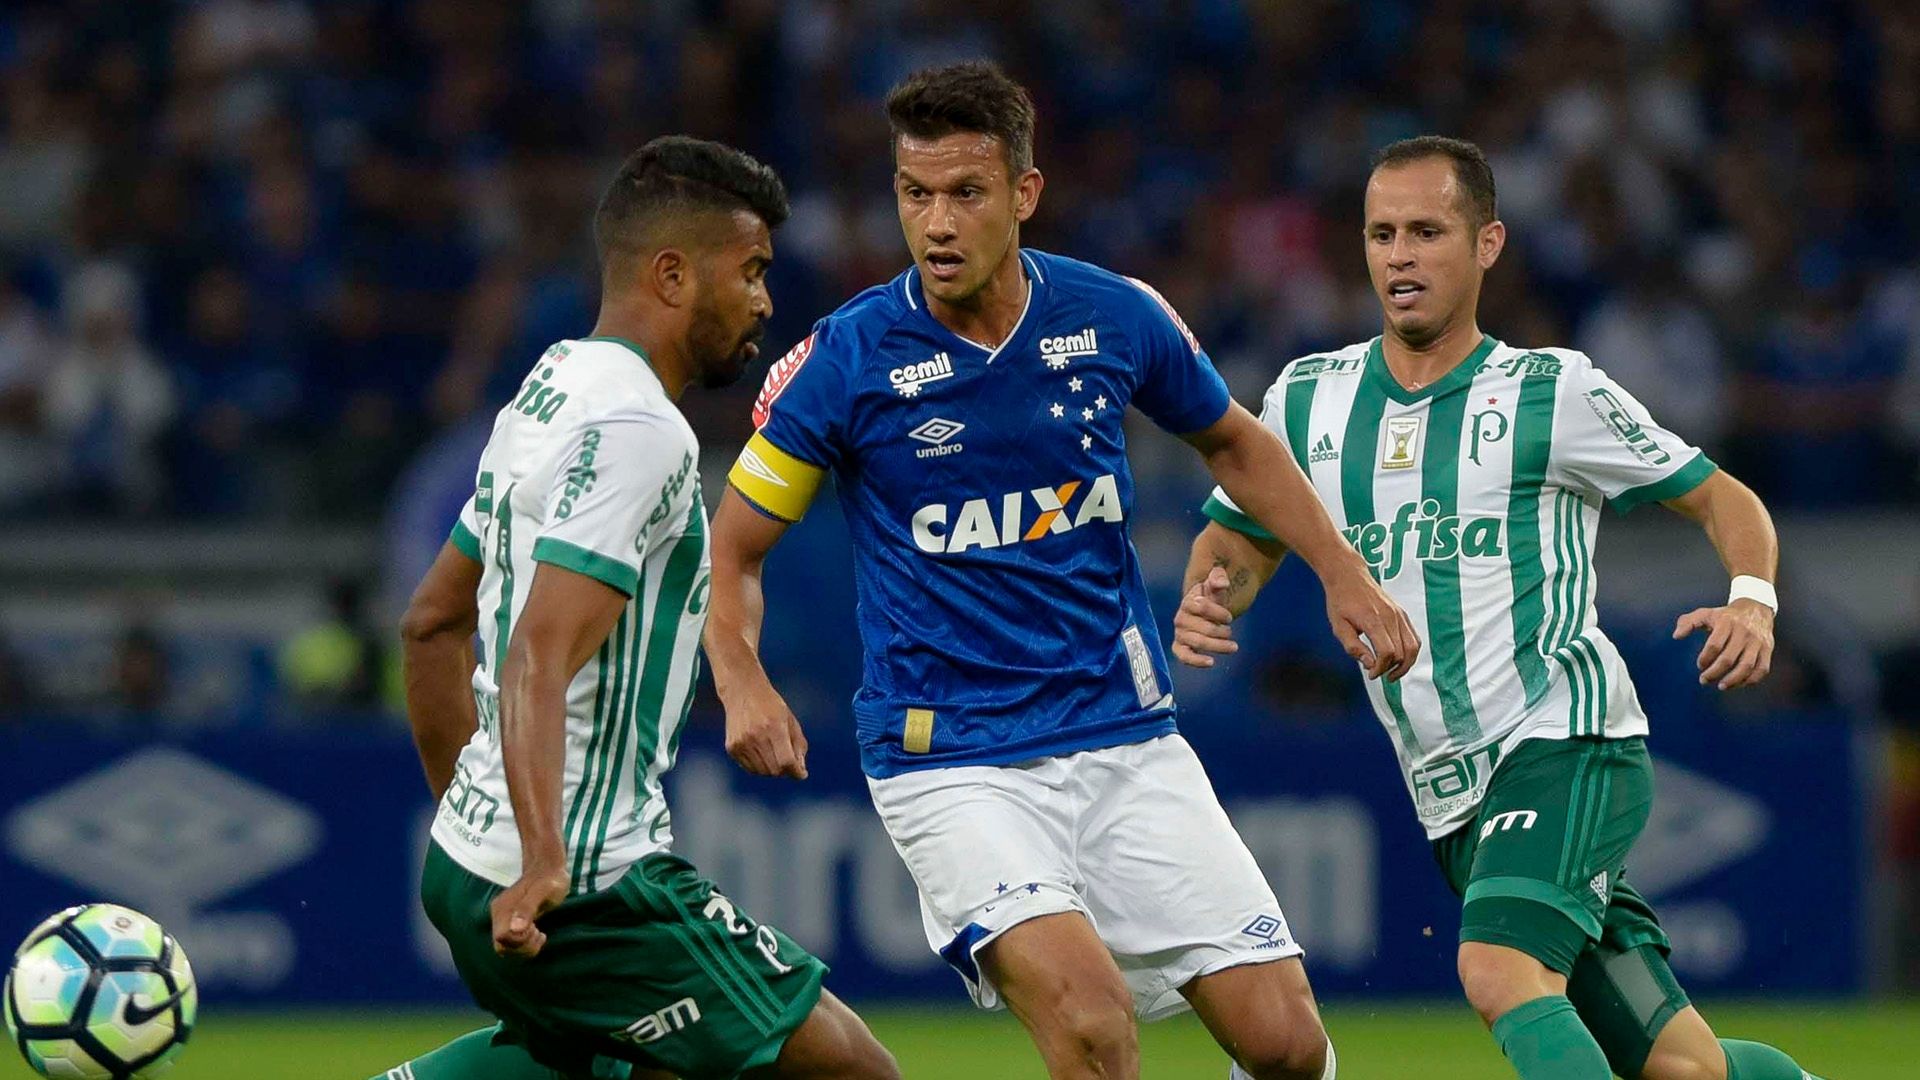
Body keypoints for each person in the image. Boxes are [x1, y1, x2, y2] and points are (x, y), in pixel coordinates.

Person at [706, 62, 1418, 1080]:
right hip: (950, 755)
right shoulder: (846, 361)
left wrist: (1341, 573)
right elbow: (733, 549)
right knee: (1091, 1026)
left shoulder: (1113, 315)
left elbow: (1236, 442)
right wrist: (740, 675)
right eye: (916, 195)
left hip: (1124, 735)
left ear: (1024, 195)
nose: (937, 223)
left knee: (1289, 1046)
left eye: (966, 193)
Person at [1175, 135, 1825, 1080]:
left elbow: (1721, 495)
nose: (1400, 255)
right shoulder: (1310, 399)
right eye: (1382, 234)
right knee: (1683, 1069)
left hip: (1566, 744)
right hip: (1451, 795)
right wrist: (1212, 597)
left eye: (1428, 232)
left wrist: (1754, 600)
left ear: (1487, 245)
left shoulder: (1551, 391)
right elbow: (1239, 535)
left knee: (1497, 970)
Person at [375, 137, 899, 1080]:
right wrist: (538, 860)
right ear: (671, 274)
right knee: (856, 1071)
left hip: (463, 863)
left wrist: (478, 828)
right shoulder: (638, 433)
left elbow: (429, 622)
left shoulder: (547, 392)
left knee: (622, 1067)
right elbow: (539, 650)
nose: (765, 301)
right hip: (590, 885)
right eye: (750, 272)